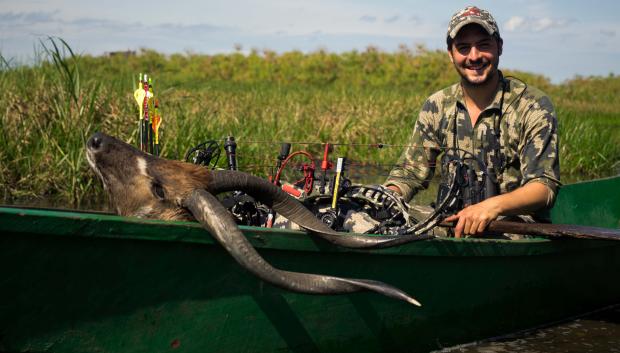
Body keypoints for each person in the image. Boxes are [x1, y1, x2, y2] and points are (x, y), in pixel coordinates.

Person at [384, 6, 560, 238]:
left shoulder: (533, 105)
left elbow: (543, 187)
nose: (474, 56)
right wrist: (385, 196)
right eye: (463, 48)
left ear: (499, 46)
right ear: (451, 53)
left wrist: (490, 207)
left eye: (483, 45)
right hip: (450, 219)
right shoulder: (437, 105)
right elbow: (409, 173)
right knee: (376, 220)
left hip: (511, 227)